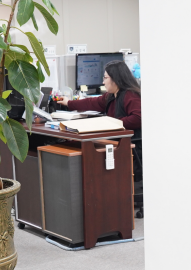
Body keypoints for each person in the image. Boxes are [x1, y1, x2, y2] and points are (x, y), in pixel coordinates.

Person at [58, 60, 144, 216]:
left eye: (105, 78)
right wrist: (69, 103)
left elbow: (138, 118)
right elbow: (92, 102)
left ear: (115, 79)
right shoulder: (111, 96)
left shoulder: (130, 95)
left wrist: (113, 122)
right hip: (115, 143)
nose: (103, 81)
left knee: (91, 154)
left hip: (130, 148)